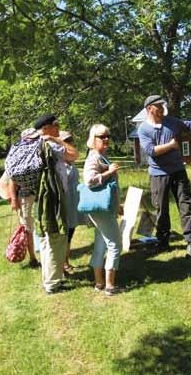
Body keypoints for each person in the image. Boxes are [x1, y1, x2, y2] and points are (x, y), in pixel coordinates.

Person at [138, 94, 191, 257]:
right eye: (159, 105)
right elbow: (151, 151)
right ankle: (163, 243)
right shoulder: (143, 129)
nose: (163, 107)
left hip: (178, 171)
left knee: (185, 206)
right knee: (161, 209)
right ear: (150, 108)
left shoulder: (172, 122)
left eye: (163, 104)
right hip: (158, 174)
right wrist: (171, 145)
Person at [34, 114, 78, 295]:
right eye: (55, 124)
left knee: (46, 239)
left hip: (41, 196)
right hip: (53, 197)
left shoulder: (32, 142)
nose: (58, 126)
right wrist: (57, 139)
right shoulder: (50, 143)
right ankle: (52, 283)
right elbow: (74, 154)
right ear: (46, 128)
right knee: (55, 238)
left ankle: (49, 278)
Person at [83, 124, 124, 296]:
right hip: (100, 208)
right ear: (93, 139)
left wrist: (117, 204)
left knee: (101, 243)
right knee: (115, 244)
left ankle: (99, 282)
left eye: (108, 136)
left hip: (104, 207)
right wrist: (110, 172)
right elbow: (89, 181)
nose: (106, 139)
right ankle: (110, 286)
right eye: (102, 136)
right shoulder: (93, 158)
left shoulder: (101, 156)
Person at [2, 128, 41, 268]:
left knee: (30, 225)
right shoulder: (22, 155)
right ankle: (33, 258)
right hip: (26, 195)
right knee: (27, 228)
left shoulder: (22, 152)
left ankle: (37, 254)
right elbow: (12, 180)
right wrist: (13, 199)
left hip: (31, 194)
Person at [59, 130, 80, 275]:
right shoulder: (59, 162)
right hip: (64, 203)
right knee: (64, 234)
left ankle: (65, 261)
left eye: (70, 140)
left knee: (70, 232)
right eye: (66, 141)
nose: (69, 143)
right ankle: (62, 264)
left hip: (73, 202)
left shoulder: (71, 162)